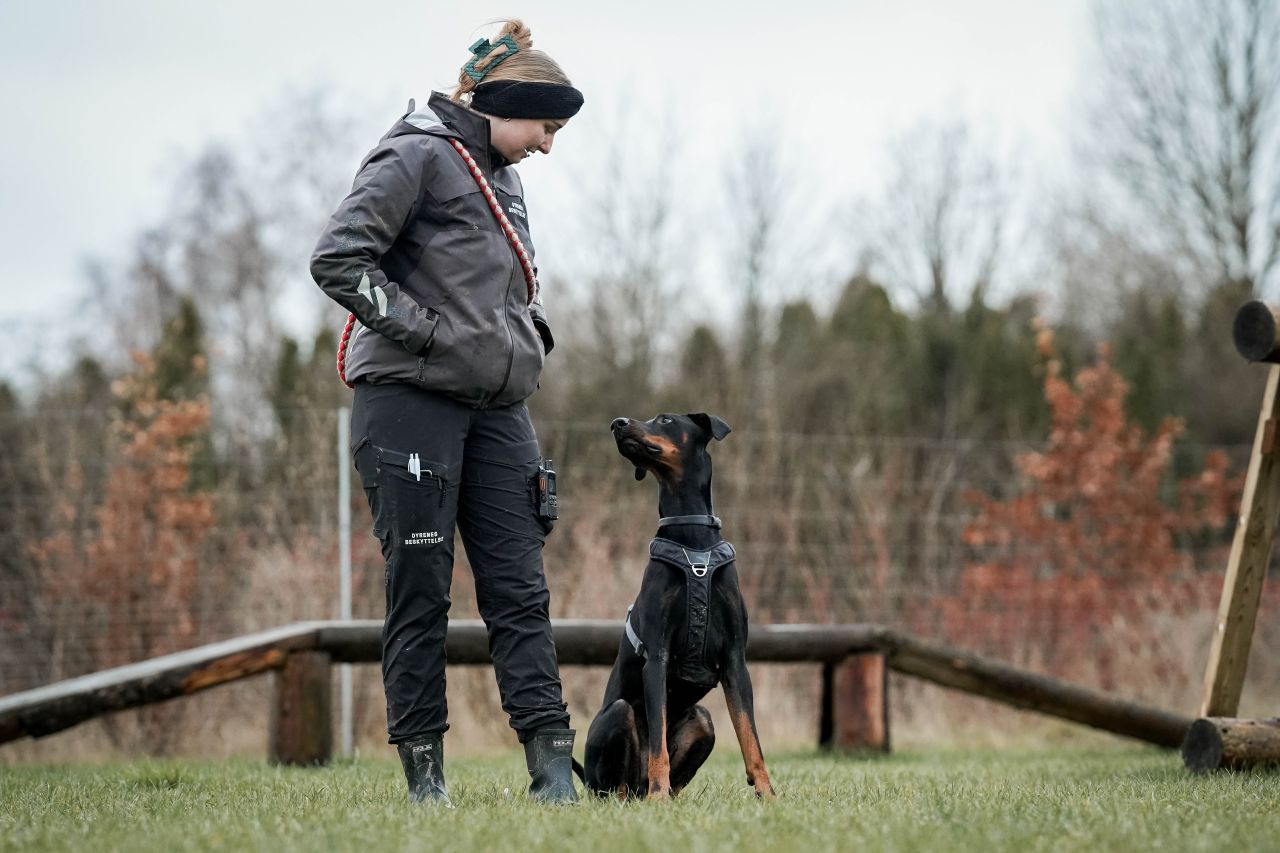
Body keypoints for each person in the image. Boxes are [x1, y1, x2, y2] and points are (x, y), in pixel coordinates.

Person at [310, 19, 583, 806]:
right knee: (422, 588)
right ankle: (427, 783)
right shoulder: (416, 153)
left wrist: (524, 335)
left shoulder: (504, 174)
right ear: (508, 103)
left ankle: (553, 774)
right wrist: (425, 334)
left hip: (499, 411)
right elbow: (337, 258)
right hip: (408, 407)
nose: (548, 145)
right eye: (546, 126)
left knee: (520, 589)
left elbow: (492, 291)